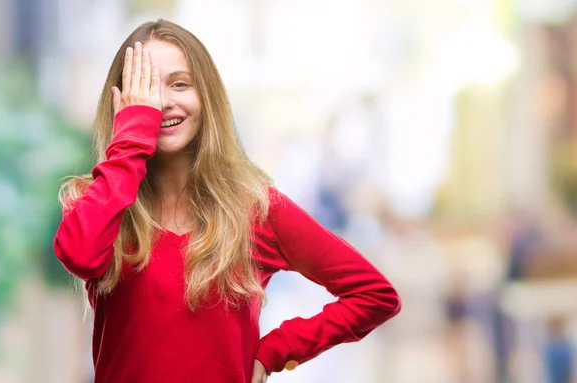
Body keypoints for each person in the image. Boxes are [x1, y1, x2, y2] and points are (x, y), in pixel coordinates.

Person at [53, 19, 401, 383]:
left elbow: (374, 294)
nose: (164, 102)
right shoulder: (97, 200)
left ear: (207, 96)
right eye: (147, 88)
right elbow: (80, 254)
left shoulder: (255, 209)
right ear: (122, 103)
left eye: (180, 84)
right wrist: (131, 139)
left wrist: (277, 349)